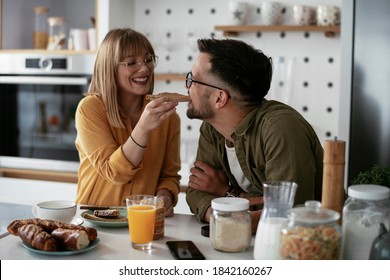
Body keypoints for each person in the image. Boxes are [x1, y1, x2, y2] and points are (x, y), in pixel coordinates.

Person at [185, 38, 323, 232]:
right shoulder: (211, 128)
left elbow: (282, 214)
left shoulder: (281, 128)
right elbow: (196, 192)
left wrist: (227, 194)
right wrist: (233, 209)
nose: (187, 87)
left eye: (192, 80)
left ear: (219, 98)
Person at [75, 28, 181, 216]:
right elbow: (114, 172)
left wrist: (165, 196)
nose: (144, 68)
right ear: (109, 68)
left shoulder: (168, 117)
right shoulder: (90, 108)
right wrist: (143, 127)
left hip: (142, 219)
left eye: (148, 60)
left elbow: (168, 176)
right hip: (94, 220)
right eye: (131, 63)